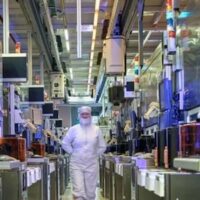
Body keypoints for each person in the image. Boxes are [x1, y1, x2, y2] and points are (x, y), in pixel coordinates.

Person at [62, 106, 107, 200]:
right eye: (83, 114)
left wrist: (95, 154)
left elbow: (103, 146)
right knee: (78, 191)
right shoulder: (73, 129)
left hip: (92, 164)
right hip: (76, 164)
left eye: (87, 114)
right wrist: (73, 152)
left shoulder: (96, 129)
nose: (85, 116)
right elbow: (65, 143)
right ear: (79, 115)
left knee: (90, 193)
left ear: (90, 115)